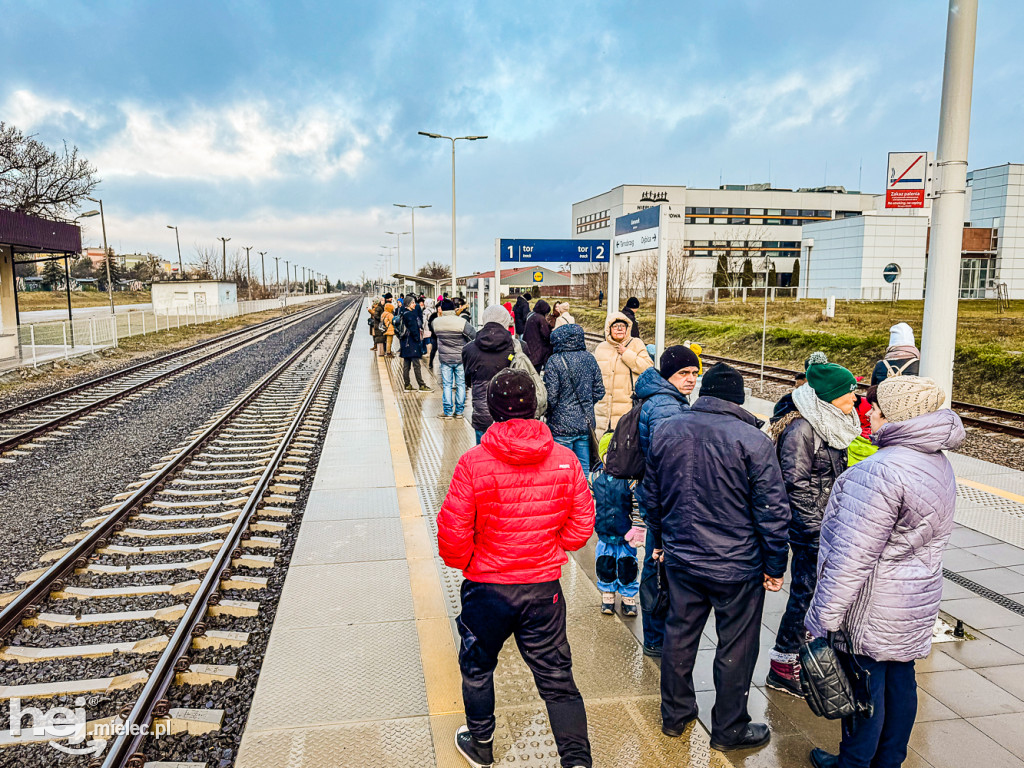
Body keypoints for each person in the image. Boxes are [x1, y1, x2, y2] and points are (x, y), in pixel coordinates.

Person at [437, 368, 595, 768]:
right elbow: (581, 526)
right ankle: (577, 761)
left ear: (492, 410)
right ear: (536, 406)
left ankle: (481, 744)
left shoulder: (473, 463)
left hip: (487, 589)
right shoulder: (564, 459)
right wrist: (549, 549)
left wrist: (472, 564)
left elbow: (452, 535)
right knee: (558, 681)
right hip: (544, 590)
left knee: (477, 667)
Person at [805, 376, 965, 768]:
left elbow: (850, 558)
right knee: (900, 681)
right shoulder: (937, 462)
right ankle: (889, 760)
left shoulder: (878, 472)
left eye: (875, 408)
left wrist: (821, 618)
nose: (868, 413)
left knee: (864, 688)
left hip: (874, 603)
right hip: (915, 597)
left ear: (895, 414)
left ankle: (853, 763)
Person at [645, 363, 790, 752]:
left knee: (678, 636)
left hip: (682, 559)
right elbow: (773, 512)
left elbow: (650, 495)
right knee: (736, 647)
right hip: (737, 566)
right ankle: (729, 730)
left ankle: (675, 717)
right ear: (738, 399)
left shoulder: (667, 430)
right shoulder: (753, 440)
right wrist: (776, 566)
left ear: (704, 392)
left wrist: (659, 539)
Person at [763, 362, 860, 697]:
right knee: (806, 592)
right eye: (849, 391)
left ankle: (809, 656)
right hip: (811, 529)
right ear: (830, 396)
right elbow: (795, 487)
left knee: (817, 593)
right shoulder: (803, 429)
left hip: (827, 524)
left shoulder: (832, 421)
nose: (855, 397)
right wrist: (818, 532)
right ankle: (783, 663)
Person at [633, 344, 700, 657]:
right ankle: (656, 638)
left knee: (656, 564)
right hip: (664, 500)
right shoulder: (665, 407)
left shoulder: (666, 399)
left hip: (660, 497)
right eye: (683, 373)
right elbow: (669, 462)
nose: (690, 380)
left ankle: (656, 635)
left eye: (694, 374)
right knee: (657, 566)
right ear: (668, 374)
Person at [542, 324, 604, 469]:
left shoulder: (554, 361)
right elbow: (599, 391)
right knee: (583, 470)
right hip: (585, 424)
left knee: (563, 469)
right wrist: (586, 402)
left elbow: (551, 397)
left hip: (560, 427)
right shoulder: (590, 358)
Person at [591, 431, 639, 616]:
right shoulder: (595, 478)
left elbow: (636, 505)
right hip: (604, 531)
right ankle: (608, 592)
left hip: (625, 532)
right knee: (605, 562)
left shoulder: (629, 479)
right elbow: (588, 502)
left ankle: (628, 595)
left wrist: (637, 527)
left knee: (627, 563)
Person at [463, 304, 515, 444]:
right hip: (510, 415)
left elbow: (468, 381)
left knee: (483, 457)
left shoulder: (469, 349)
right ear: (505, 320)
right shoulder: (518, 347)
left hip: (482, 414)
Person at [593, 312, 653, 434]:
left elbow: (648, 368)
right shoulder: (601, 348)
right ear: (608, 329)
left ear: (628, 328)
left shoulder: (636, 344)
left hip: (627, 407)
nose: (619, 329)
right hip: (603, 409)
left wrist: (627, 353)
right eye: (615, 326)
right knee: (601, 446)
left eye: (622, 326)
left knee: (623, 445)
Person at [433, 298, 476, 419]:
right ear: (453, 308)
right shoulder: (461, 322)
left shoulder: (436, 322)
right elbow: (473, 336)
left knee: (447, 385)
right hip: (460, 359)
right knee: (461, 384)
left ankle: (447, 412)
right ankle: (459, 412)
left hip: (445, 360)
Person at [397, 296, 431, 393]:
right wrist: (417, 340)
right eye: (412, 303)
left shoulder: (403, 313)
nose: (414, 304)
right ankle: (421, 385)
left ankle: (407, 385)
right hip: (412, 343)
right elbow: (414, 330)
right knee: (416, 365)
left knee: (406, 365)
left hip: (405, 343)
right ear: (408, 304)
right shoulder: (411, 315)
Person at [522, 299, 554, 370]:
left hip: (529, 349)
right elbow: (546, 334)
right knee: (536, 373)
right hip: (537, 352)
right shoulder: (540, 318)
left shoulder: (531, 315)